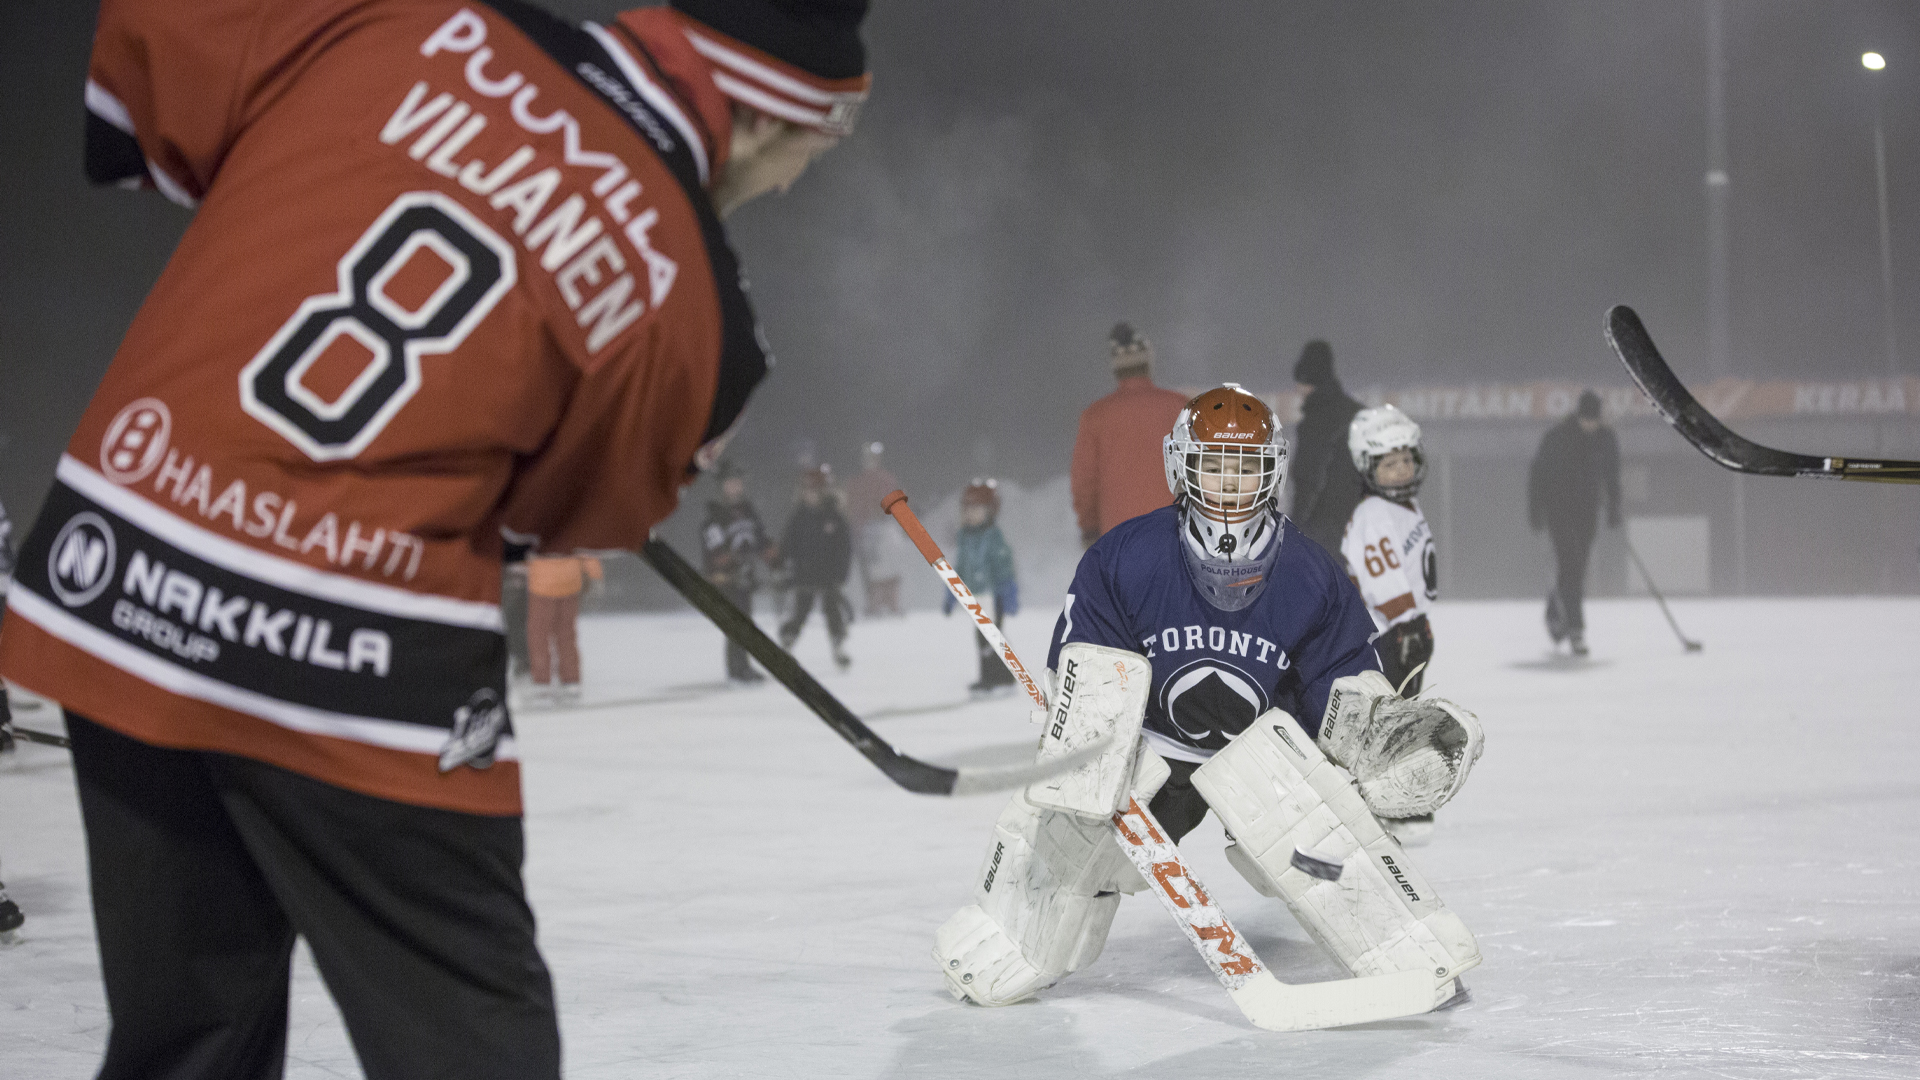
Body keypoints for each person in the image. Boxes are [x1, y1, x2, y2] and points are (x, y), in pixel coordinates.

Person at [0, 0, 870, 1074]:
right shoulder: (702, 317)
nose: (790, 187)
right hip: (357, 652)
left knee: (190, 1037)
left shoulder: (414, 17)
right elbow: (572, 515)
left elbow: (156, 52)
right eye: (812, 158)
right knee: (472, 1046)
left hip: (121, 573)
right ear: (787, 118)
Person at [932, 383, 1484, 1011]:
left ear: (1271, 469)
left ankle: (1406, 948)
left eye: (1245, 466)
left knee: (1318, 846)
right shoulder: (1125, 557)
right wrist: (1081, 722)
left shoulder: (1310, 572)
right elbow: (1089, 662)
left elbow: (1338, 679)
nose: (1229, 481)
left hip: (1260, 757)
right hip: (1146, 751)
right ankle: (1011, 933)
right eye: (1214, 464)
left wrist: (1377, 736)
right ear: (1180, 465)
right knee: (1076, 816)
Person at [1340, 405, 1437, 696]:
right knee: (1392, 708)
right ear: (1368, 467)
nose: (1402, 470)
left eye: (1406, 459)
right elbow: (1382, 577)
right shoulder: (1374, 514)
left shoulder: (1401, 506)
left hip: (1405, 627)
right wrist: (1406, 625)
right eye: (1389, 464)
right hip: (1388, 634)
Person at [1069, 322, 1188, 547]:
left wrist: (1090, 528)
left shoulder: (1095, 417)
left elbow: (1084, 481)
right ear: (1148, 362)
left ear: (1116, 367)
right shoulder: (1180, 407)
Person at [1528, 390, 1622, 656]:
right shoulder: (1558, 437)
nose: (1590, 425)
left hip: (1587, 512)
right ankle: (1576, 630)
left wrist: (1614, 506)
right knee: (1571, 563)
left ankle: (1556, 610)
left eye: (1594, 420)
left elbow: (1612, 474)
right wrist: (1536, 510)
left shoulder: (1605, 439)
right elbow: (1538, 474)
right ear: (1579, 415)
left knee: (1576, 568)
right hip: (1559, 512)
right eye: (1586, 419)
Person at [1289, 339, 1367, 553]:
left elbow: (1308, 478)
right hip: (1360, 526)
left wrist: (1295, 531)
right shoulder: (1356, 413)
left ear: (1307, 380)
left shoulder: (1315, 422)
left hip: (1323, 531)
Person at [945, 478, 1020, 695]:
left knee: (988, 637)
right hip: (975, 596)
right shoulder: (965, 537)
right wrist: (952, 594)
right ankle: (999, 677)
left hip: (993, 595)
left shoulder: (993, 537)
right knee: (984, 637)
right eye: (966, 509)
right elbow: (961, 568)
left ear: (990, 512)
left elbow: (1004, 566)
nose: (970, 514)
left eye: (976, 509)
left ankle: (994, 679)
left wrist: (1008, 591)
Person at [701, 461, 774, 683]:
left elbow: (762, 541)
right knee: (736, 623)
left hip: (745, 577)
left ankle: (743, 665)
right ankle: (736, 670)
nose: (734, 487)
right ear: (721, 487)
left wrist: (775, 560)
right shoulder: (714, 518)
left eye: (737, 483)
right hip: (725, 580)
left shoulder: (749, 513)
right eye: (729, 483)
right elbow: (715, 553)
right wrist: (733, 562)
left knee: (745, 621)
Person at [777, 463, 854, 669]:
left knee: (833, 612)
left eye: (814, 490)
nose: (810, 495)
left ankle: (839, 647)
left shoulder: (834, 516)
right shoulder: (798, 517)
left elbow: (844, 548)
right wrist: (782, 567)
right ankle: (787, 642)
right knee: (801, 611)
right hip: (804, 574)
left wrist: (841, 574)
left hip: (829, 575)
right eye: (807, 490)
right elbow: (788, 544)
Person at [525, 553, 603, 703]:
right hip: (570, 582)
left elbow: (521, 547)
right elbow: (585, 546)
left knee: (539, 635)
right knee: (567, 635)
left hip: (542, 583)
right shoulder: (573, 527)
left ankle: (542, 680)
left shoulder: (535, 528)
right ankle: (571, 679)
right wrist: (594, 572)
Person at [843, 441, 903, 616]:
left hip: (885, 528)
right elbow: (852, 506)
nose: (871, 461)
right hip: (864, 530)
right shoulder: (856, 482)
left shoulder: (887, 479)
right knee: (869, 569)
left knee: (890, 566)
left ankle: (890, 601)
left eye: (874, 457)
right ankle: (873, 602)